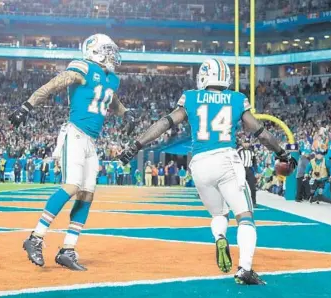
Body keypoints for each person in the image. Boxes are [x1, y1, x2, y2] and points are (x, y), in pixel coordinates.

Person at [118, 58, 297, 285]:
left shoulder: (191, 97)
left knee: (219, 215)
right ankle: (245, 269)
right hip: (226, 160)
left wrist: (137, 145)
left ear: (204, 76)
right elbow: (260, 133)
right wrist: (282, 153)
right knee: (245, 216)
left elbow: (165, 123)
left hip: (199, 164)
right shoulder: (236, 99)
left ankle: (220, 237)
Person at [9, 34, 135, 271]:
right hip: (75, 133)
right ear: (94, 51)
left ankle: (68, 249)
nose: (112, 55)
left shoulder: (112, 79)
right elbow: (56, 83)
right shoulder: (83, 67)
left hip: (91, 141)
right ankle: (35, 237)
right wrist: (28, 105)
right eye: (107, 50)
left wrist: (125, 112)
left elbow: (111, 98)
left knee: (87, 193)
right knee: (72, 185)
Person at [238, 138, 257, 206]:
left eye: (247, 143)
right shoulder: (239, 151)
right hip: (241, 170)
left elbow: (254, 162)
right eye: (244, 143)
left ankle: (253, 202)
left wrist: (256, 171)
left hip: (249, 170)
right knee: (240, 186)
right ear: (242, 143)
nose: (246, 144)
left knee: (252, 186)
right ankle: (239, 202)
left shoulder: (252, 152)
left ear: (249, 143)